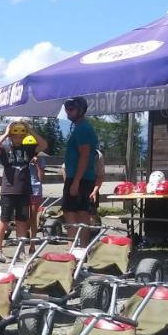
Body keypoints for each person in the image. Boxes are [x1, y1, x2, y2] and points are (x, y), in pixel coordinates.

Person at [0, 123, 48, 253]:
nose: (18, 138)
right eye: (15, 136)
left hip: (23, 191)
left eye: (21, 136)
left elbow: (43, 145)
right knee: (4, 220)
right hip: (9, 191)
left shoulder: (28, 149)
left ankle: (20, 250)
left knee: (22, 222)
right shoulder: (5, 149)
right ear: (11, 137)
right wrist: (5, 134)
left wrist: (31, 131)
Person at [61, 96, 103, 243]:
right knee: (82, 214)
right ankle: (82, 251)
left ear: (81, 110)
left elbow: (85, 156)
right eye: (67, 109)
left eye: (71, 109)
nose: (68, 112)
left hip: (79, 178)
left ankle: (73, 251)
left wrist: (75, 182)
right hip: (84, 178)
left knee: (71, 213)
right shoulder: (83, 127)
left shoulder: (82, 129)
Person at [27, 146, 48, 241]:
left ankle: (32, 244)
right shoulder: (23, 155)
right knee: (23, 217)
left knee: (33, 217)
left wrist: (37, 164)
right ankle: (22, 243)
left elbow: (41, 178)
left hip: (35, 190)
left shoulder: (40, 158)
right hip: (24, 189)